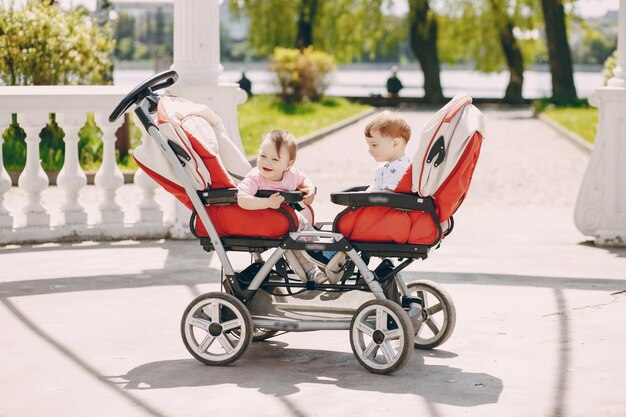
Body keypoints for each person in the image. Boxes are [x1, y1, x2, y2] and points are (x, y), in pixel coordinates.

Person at [320, 111, 411, 270]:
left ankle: (327, 256)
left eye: (374, 145)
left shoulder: (398, 169)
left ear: (395, 143)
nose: (370, 150)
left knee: (345, 223)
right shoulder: (391, 166)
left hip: (381, 219)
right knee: (347, 219)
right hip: (379, 217)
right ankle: (355, 260)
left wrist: (361, 200)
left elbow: (388, 198)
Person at [237, 129, 327, 283]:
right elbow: (242, 199)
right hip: (265, 222)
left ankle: (324, 258)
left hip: (290, 222)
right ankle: (312, 270)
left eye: (275, 159)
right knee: (295, 240)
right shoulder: (255, 177)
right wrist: (267, 202)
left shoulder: (290, 174)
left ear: (288, 165)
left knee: (306, 233)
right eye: (263, 156)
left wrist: (309, 189)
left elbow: (303, 179)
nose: (266, 162)